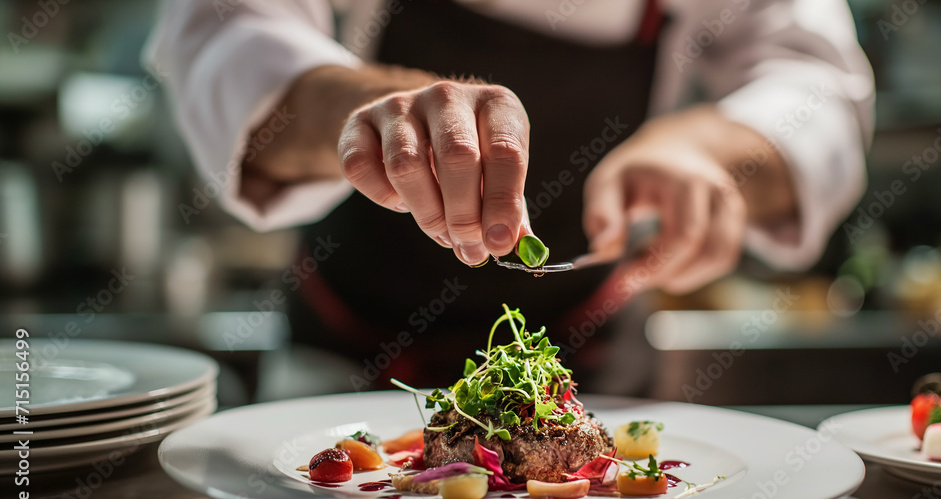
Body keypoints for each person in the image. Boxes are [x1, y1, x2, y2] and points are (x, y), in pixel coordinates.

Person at [145, 0, 874, 392]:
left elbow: (818, 83)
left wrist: (710, 151)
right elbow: (223, 28)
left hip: (595, 362)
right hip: (342, 358)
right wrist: (372, 113)